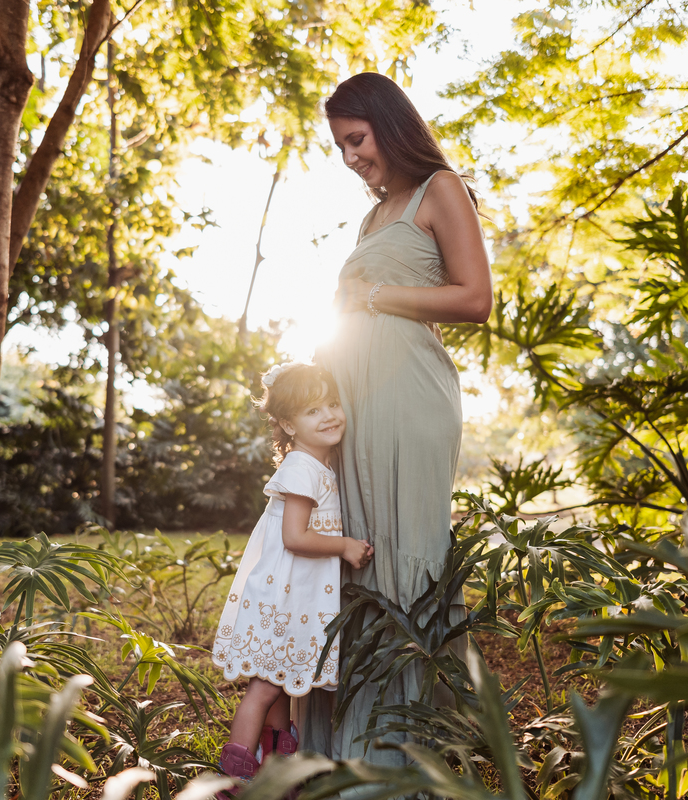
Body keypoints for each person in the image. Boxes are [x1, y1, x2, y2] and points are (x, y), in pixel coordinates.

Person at [306, 72, 494, 764]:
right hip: (354, 407)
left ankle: (405, 759)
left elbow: (476, 298)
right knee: (358, 562)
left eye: (356, 139)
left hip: (413, 402)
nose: (351, 156)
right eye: (341, 147)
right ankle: (348, 756)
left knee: (405, 561)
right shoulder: (372, 216)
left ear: (388, 124)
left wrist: (379, 296)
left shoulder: (439, 189)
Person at [212, 362, 375, 792]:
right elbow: (295, 536)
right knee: (265, 688)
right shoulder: (302, 468)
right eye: (312, 411)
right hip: (283, 599)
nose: (329, 416)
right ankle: (235, 779)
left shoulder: (316, 464)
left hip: (292, 597)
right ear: (287, 423)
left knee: (280, 688)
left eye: (333, 404)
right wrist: (344, 546)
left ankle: (273, 773)